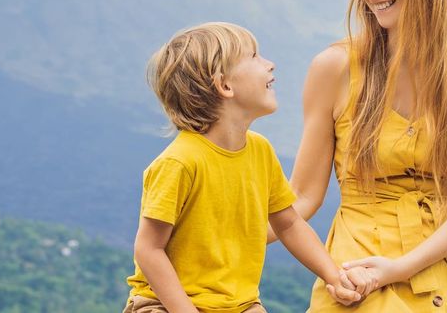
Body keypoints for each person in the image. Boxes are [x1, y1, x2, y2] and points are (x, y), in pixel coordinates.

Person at [281, 0, 447, 311]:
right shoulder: (334, 67)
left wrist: (398, 269)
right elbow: (300, 196)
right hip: (357, 279)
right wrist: (217, 238)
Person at [124, 22, 364, 313]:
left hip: (240, 305)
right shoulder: (180, 162)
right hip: (165, 304)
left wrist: (333, 276)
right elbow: (148, 249)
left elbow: (288, 223)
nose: (270, 65)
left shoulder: (260, 150)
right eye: (254, 57)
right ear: (225, 85)